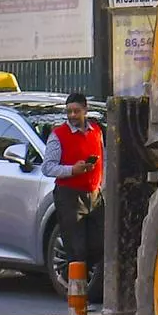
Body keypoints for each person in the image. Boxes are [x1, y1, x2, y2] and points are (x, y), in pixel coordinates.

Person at [42, 91, 104, 285]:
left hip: (94, 194)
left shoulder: (96, 131)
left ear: (85, 110)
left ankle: (78, 282)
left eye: (76, 111)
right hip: (69, 196)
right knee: (76, 249)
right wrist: (72, 170)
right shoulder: (58, 136)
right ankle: (76, 295)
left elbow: (104, 157)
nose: (72, 116)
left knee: (101, 242)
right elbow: (47, 167)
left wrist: (101, 181)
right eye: (69, 111)